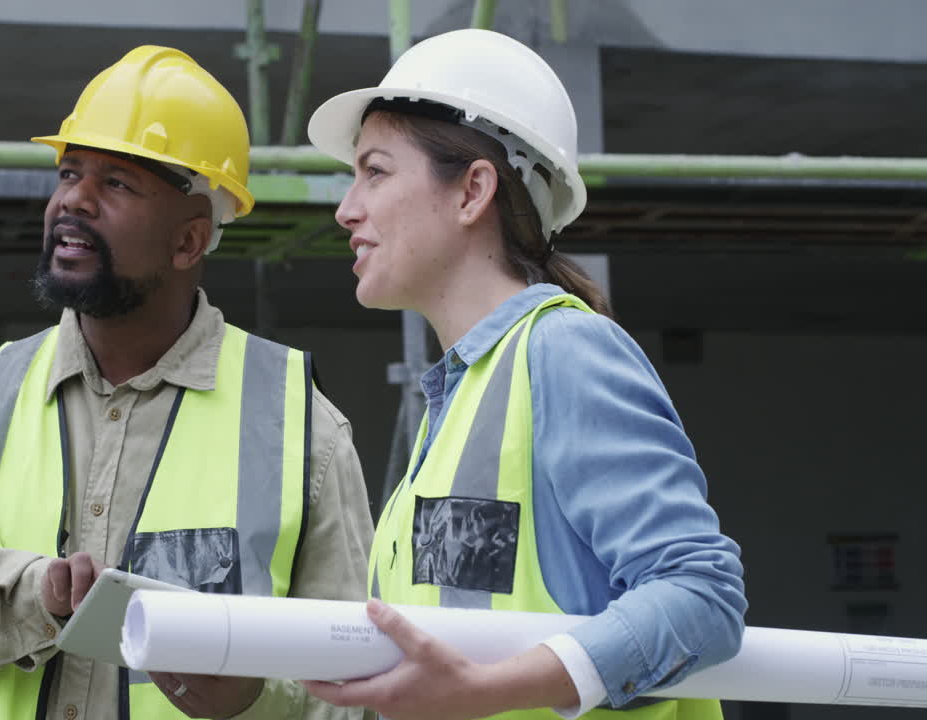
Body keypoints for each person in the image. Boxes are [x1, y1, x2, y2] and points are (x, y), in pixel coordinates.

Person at [0, 45, 373, 720]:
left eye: (117, 184)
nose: (73, 199)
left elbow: (361, 679)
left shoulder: (301, 428)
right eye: (70, 172)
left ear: (189, 241)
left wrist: (253, 696)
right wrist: (30, 597)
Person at [301, 29, 746, 720]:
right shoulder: (461, 401)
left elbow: (701, 596)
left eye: (376, 171)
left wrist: (482, 695)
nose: (346, 208)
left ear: (472, 190)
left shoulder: (565, 351)